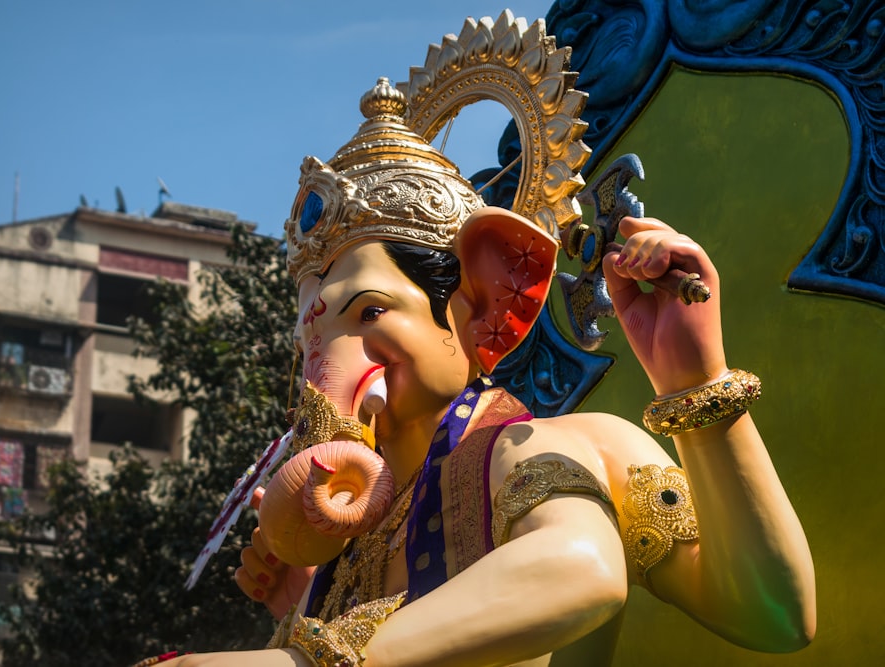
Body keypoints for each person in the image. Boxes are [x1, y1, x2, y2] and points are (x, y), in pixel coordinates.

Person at [160, 72, 815, 667]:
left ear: (485, 300)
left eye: (370, 312)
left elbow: (754, 609)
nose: (329, 358)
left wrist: (693, 378)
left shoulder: (552, 451)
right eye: (313, 337)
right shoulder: (356, 549)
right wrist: (298, 604)